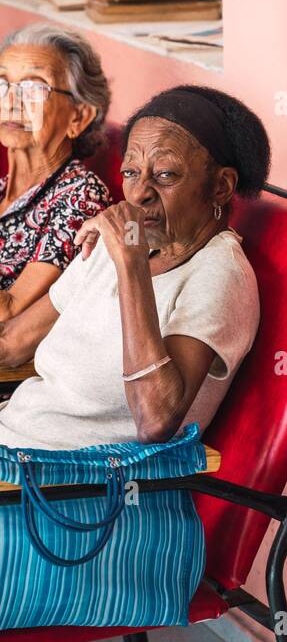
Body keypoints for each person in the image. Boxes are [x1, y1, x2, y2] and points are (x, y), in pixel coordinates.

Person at [0, 85, 269, 452]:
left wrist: (131, 264)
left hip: (76, 484)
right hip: (13, 442)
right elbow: (13, 344)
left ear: (221, 187)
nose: (139, 193)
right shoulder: (117, 241)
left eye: (166, 176)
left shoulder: (218, 274)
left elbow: (155, 419)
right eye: (130, 172)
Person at [0, 26, 111, 321]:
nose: (11, 102)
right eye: (3, 84)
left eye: (33, 89)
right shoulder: (3, 188)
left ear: (79, 116)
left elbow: (10, 309)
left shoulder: (81, 197)